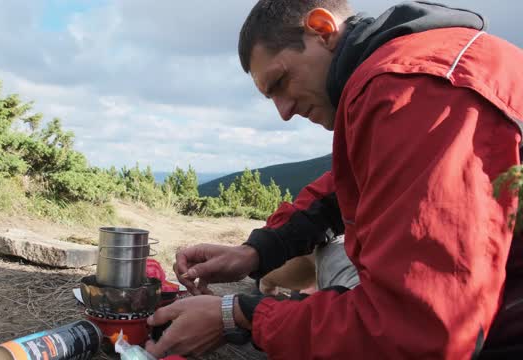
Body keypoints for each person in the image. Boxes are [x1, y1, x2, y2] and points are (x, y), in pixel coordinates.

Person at [145, 1, 523, 358]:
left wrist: (239, 314)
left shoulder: (418, 89)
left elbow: (418, 332)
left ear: (322, 30)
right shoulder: (412, 68)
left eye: (280, 82)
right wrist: (256, 252)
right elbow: (341, 191)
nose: (284, 112)